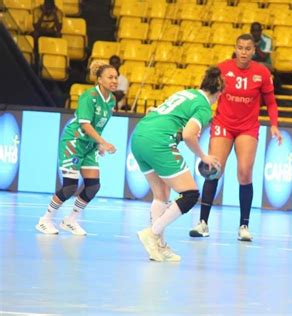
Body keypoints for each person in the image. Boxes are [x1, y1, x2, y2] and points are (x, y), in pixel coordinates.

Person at [189, 33, 282, 242]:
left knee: (245, 173)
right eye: (240, 48)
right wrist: (196, 123)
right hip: (223, 124)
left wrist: (274, 125)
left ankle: (244, 226)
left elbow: (271, 102)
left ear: (253, 50)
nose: (243, 52)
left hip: (247, 127)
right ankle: (203, 223)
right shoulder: (222, 68)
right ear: (235, 47)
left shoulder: (262, 73)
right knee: (213, 170)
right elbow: (205, 97)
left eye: (248, 49)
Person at [132, 67, 224, 262]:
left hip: (139, 135)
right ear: (218, 92)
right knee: (190, 194)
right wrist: (204, 156)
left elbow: (158, 111)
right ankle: (152, 233)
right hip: (158, 141)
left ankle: (158, 247)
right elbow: (189, 135)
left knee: (161, 195)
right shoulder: (204, 106)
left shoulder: (187, 92)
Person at [35, 60, 118, 235]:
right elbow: (86, 124)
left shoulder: (111, 100)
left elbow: (98, 125)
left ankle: (70, 220)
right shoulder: (89, 96)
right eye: (110, 77)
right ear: (100, 80)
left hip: (89, 145)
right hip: (74, 142)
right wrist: (103, 142)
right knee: (70, 187)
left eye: (116, 77)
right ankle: (45, 220)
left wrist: (97, 144)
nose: (114, 80)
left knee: (93, 186)